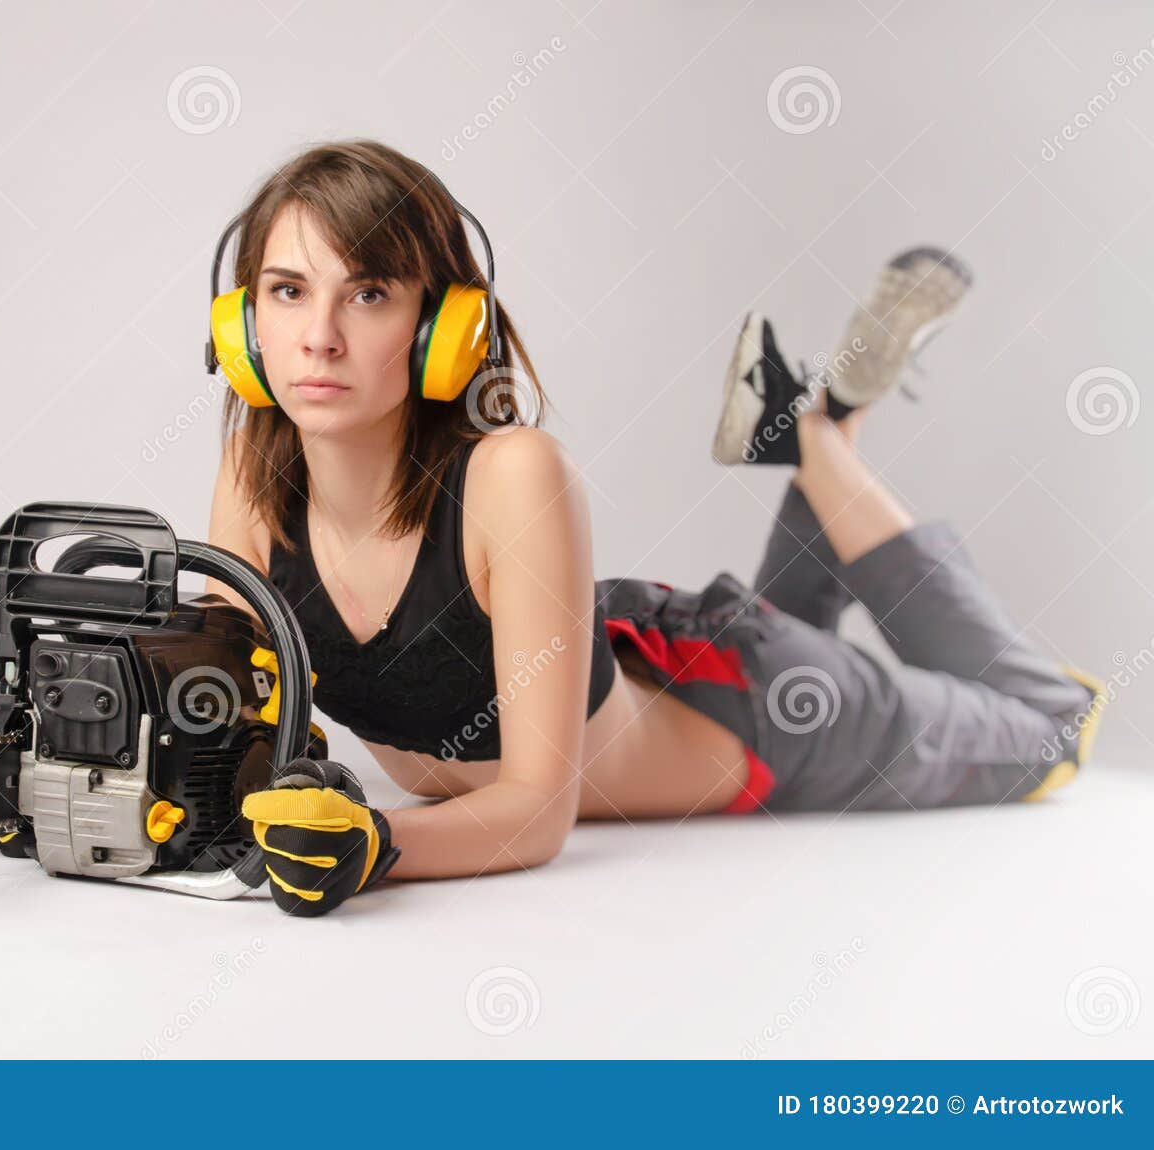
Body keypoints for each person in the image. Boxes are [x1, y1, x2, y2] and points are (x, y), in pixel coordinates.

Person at [203, 139, 1105, 916]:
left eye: (367, 294)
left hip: (765, 717)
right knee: (804, 623)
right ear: (244, 324)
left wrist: (376, 843)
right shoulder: (254, 479)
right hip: (668, 657)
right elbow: (226, 735)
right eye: (287, 291)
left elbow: (536, 810)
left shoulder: (513, 472)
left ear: (444, 326)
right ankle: (817, 429)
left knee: (1053, 728)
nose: (319, 335)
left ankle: (815, 439)